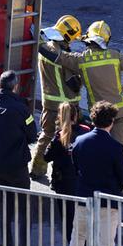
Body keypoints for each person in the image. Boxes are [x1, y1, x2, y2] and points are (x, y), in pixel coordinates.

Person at [40, 21, 123, 159]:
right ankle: (122, 176)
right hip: (121, 111)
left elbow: (57, 56)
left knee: (100, 150)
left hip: (100, 115)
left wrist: (38, 39)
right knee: (121, 149)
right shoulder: (116, 56)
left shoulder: (81, 60)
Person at [66, 102, 123, 246]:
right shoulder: (117, 148)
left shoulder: (80, 142)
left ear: (93, 119)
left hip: (84, 198)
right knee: (105, 245)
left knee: (78, 237)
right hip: (107, 202)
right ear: (111, 122)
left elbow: (75, 166)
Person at [0, 70, 38, 246]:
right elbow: (33, 135)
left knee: (4, 211)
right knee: (24, 211)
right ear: (15, 86)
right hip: (17, 167)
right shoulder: (21, 109)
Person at [31, 15, 84, 182]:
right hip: (66, 106)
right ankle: (59, 174)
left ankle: (37, 169)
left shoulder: (45, 50)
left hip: (49, 104)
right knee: (65, 140)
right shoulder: (63, 57)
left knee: (46, 136)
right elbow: (74, 83)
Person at [44, 101, 88, 239]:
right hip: (82, 183)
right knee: (83, 219)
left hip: (63, 184)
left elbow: (46, 156)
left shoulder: (59, 137)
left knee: (68, 220)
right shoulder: (86, 132)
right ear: (76, 116)